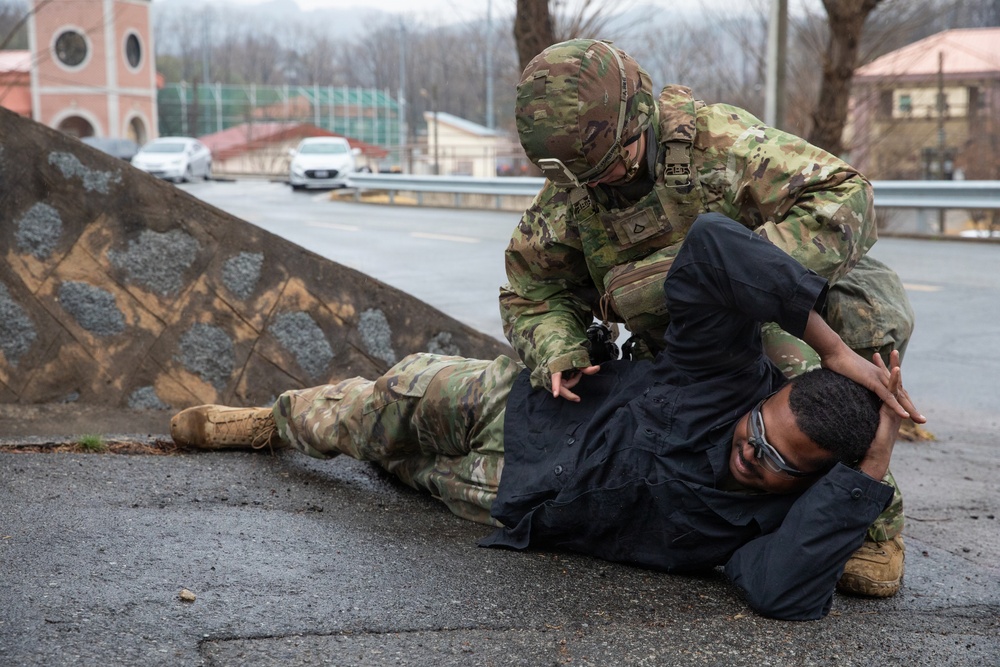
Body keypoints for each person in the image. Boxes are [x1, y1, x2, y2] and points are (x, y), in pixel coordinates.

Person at [171, 214, 924, 621]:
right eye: (758, 427)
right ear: (765, 398)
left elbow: (783, 593)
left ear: (813, 478)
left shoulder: (771, 526)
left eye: (776, 459)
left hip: (510, 497)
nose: (751, 449)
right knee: (385, 402)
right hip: (519, 404)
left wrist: (873, 465)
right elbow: (711, 245)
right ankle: (272, 422)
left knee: (393, 466)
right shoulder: (726, 376)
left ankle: (348, 442)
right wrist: (832, 347)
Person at [501, 39, 916, 597]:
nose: (596, 184)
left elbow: (844, 197)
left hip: (772, 310)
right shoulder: (573, 190)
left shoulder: (717, 144)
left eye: (608, 165)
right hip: (686, 351)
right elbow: (532, 289)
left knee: (816, 366)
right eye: (582, 177)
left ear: (637, 119)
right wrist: (558, 347)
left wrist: (736, 275)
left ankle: (876, 525)